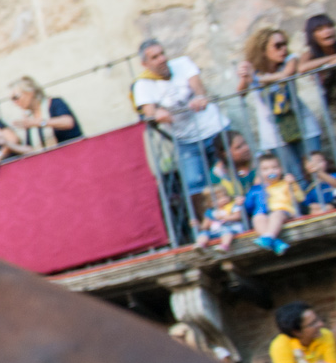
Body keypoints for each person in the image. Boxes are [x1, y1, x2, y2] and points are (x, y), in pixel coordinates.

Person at [133, 38, 229, 222]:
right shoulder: (143, 84)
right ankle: (206, 226)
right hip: (187, 141)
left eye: (162, 54)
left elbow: (199, 88)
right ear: (145, 64)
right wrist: (157, 113)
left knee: (226, 176)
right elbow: (149, 112)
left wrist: (200, 97)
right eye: (155, 57)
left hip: (214, 129)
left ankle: (238, 218)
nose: (162, 59)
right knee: (195, 185)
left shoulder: (182, 64)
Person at [240, 25, 323, 180]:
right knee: (293, 177)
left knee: (316, 172)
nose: (283, 49)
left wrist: (256, 79)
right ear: (263, 49)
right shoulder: (254, 70)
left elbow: (286, 74)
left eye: (285, 44)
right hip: (274, 133)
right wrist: (245, 75)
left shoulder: (290, 60)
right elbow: (241, 92)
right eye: (277, 46)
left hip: (303, 125)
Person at [244, 151, 306, 254]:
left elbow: (300, 198)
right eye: (265, 169)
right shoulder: (258, 188)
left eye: (274, 168)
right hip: (266, 213)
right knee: (257, 218)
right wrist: (253, 190)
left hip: (284, 211)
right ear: (259, 173)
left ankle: (270, 237)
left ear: (281, 169)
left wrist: (293, 184)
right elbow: (249, 206)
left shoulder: (285, 183)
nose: (270, 171)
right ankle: (275, 242)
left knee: (276, 214)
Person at [7, 76, 82, 149]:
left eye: (15, 97)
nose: (15, 103)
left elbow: (68, 122)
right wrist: (7, 143)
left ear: (30, 92)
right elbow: (30, 149)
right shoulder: (29, 117)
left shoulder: (54, 103)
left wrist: (38, 123)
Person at [196, 187, 248, 253]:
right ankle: (201, 245)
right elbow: (204, 227)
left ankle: (225, 245)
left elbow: (238, 216)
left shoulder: (233, 206)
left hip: (232, 229)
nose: (224, 199)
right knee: (203, 233)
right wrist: (197, 225)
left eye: (225, 196)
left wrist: (224, 217)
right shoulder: (210, 212)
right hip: (216, 232)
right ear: (211, 203)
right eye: (219, 198)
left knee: (226, 231)